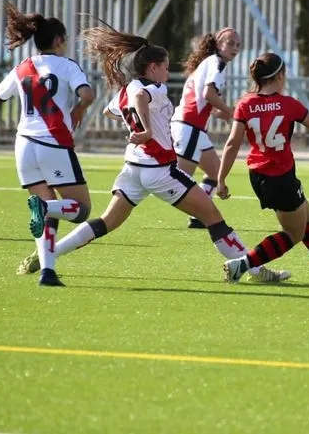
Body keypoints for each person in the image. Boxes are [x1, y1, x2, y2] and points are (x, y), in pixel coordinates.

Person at [41, 25, 289, 284]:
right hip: (159, 170)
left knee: (107, 221)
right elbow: (140, 96)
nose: (168, 72)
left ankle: (51, 253)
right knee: (213, 217)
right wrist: (147, 129)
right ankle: (256, 271)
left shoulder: (126, 89)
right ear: (152, 68)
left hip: (133, 168)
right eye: (165, 66)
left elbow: (110, 112)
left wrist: (136, 124)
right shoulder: (152, 89)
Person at [217, 52, 309, 285]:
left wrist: (221, 179)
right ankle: (241, 265)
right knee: (294, 234)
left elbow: (232, 143)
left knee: (306, 213)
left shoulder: (245, 104)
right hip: (279, 176)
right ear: (280, 75)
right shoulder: (288, 104)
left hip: (259, 175)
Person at [0, 2, 95, 287]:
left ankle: (48, 272)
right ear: (59, 40)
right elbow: (87, 94)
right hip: (53, 143)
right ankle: (46, 211)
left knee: (45, 208)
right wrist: (77, 112)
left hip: (24, 144)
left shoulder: (23, 67)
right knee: (81, 209)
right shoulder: (67, 66)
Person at [172, 27, 241, 229]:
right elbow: (209, 95)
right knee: (176, 181)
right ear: (218, 44)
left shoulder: (210, 63)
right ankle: (135, 187)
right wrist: (229, 110)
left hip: (194, 128)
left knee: (216, 172)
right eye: (230, 43)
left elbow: (207, 104)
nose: (234, 48)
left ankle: (198, 217)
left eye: (238, 45)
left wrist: (228, 113)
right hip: (189, 127)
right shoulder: (217, 63)